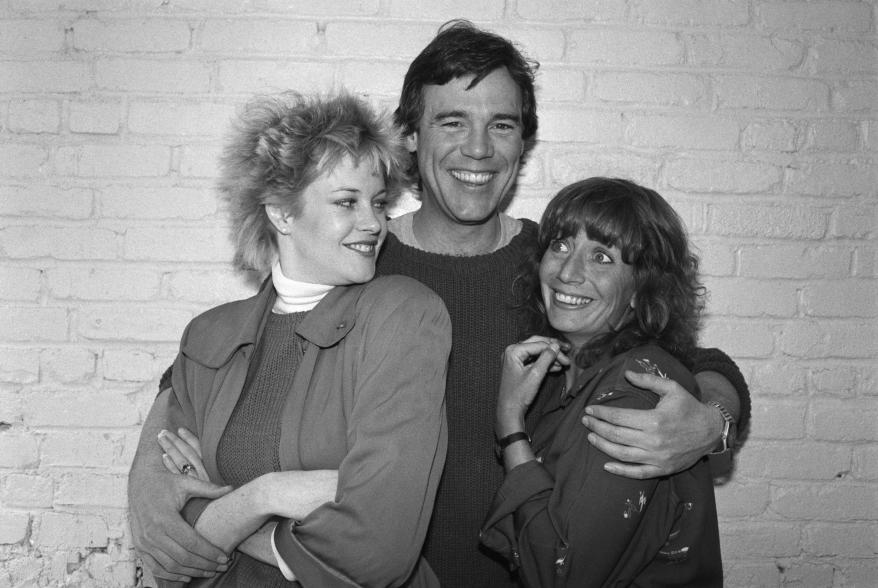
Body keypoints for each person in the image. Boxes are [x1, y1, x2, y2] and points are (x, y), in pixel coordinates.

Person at [129, 20, 750, 587]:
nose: (477, 149)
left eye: (501, 125)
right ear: (410, 137)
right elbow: (229, 360)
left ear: (522, 144)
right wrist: (148, 473)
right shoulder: (359, 262)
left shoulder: (556, 269)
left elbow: (692, 357)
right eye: (452, 121)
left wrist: (710, 424)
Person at [128, 91, 451, 587]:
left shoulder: (403, 315)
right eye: (348, 201)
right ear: (282, 212)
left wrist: (224, 514)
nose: (374, 223)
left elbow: (378, 547)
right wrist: (265, 496)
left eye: (379, 202)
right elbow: (170, 549)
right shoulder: (209, 336)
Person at [480, 177, 722, 586]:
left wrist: (509, 424)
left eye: (602, 258)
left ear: (640, 289)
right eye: (560, 245)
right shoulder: (571, 370)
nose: (568, 272)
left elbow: (558, 573)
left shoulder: (631, 392)